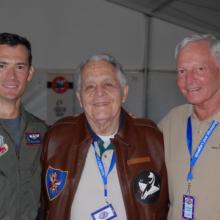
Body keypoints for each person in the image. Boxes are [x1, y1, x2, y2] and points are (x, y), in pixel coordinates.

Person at [40, 53, 169, 219]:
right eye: (90, 86)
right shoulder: (57, 138)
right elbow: (44, 205)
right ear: (80, 98)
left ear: (124, 92)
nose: (99, 92)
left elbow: (166, 206)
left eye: (108, 84)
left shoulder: (152, 140)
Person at [159, 34, 220, 220]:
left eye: (199, 69)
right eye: (182, 71)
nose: (189, 80)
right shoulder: (173, 120)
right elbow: (139, 147)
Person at [0, 33, 48, 220]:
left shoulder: (42, 131)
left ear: (29, 73)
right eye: (2, 66)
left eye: (19, 67)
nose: (11, 76)